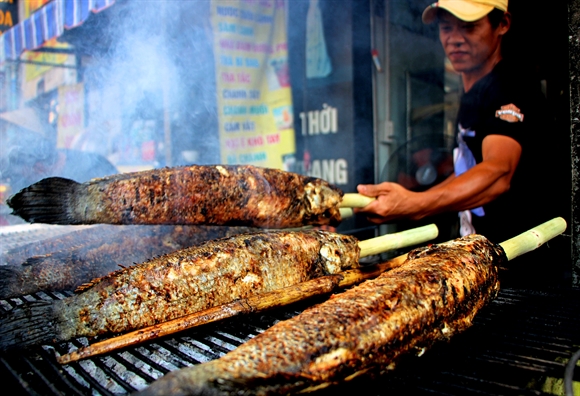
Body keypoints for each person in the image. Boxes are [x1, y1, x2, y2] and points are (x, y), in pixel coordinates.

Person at [355, 0, 565, 285]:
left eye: (469, 27)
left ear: (502, 24)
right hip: (483, 259)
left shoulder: (508, 86)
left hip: (523, 269)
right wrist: (405, 197)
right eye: (446, 28)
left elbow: (497, 172)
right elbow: (470, 171)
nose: (454, 38)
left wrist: (416, 204)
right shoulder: (473, 92)